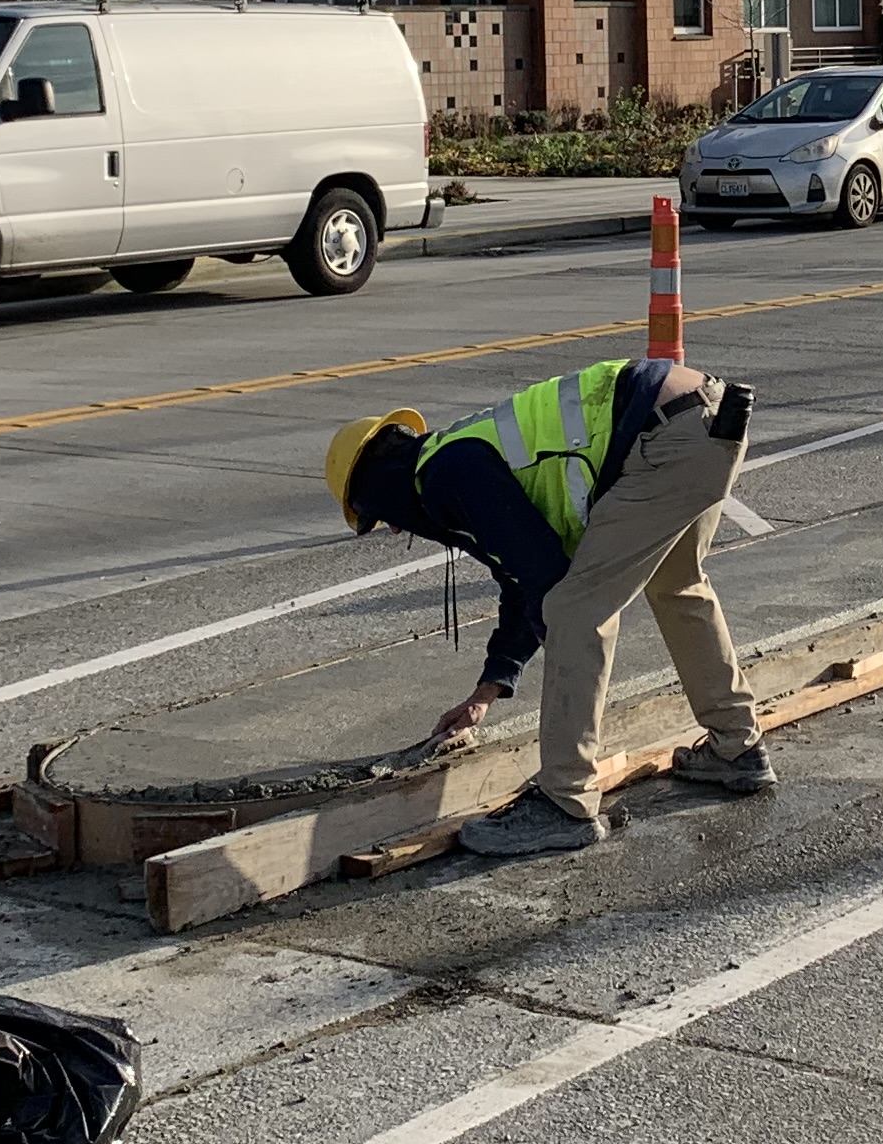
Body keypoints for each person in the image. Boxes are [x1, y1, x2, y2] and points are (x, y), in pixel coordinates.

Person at [323, 355, 770, 858]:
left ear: (378, 491)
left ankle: (564, 802)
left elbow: (545, 577)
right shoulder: (452, 459)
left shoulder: (448, 473)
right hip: (704, 420)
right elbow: (519, 577)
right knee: (677, 584)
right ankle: (737, 747)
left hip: (666, 435)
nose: (394, 530)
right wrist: (489, 690)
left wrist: (551, 630)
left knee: (575, 611)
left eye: (377, 517)